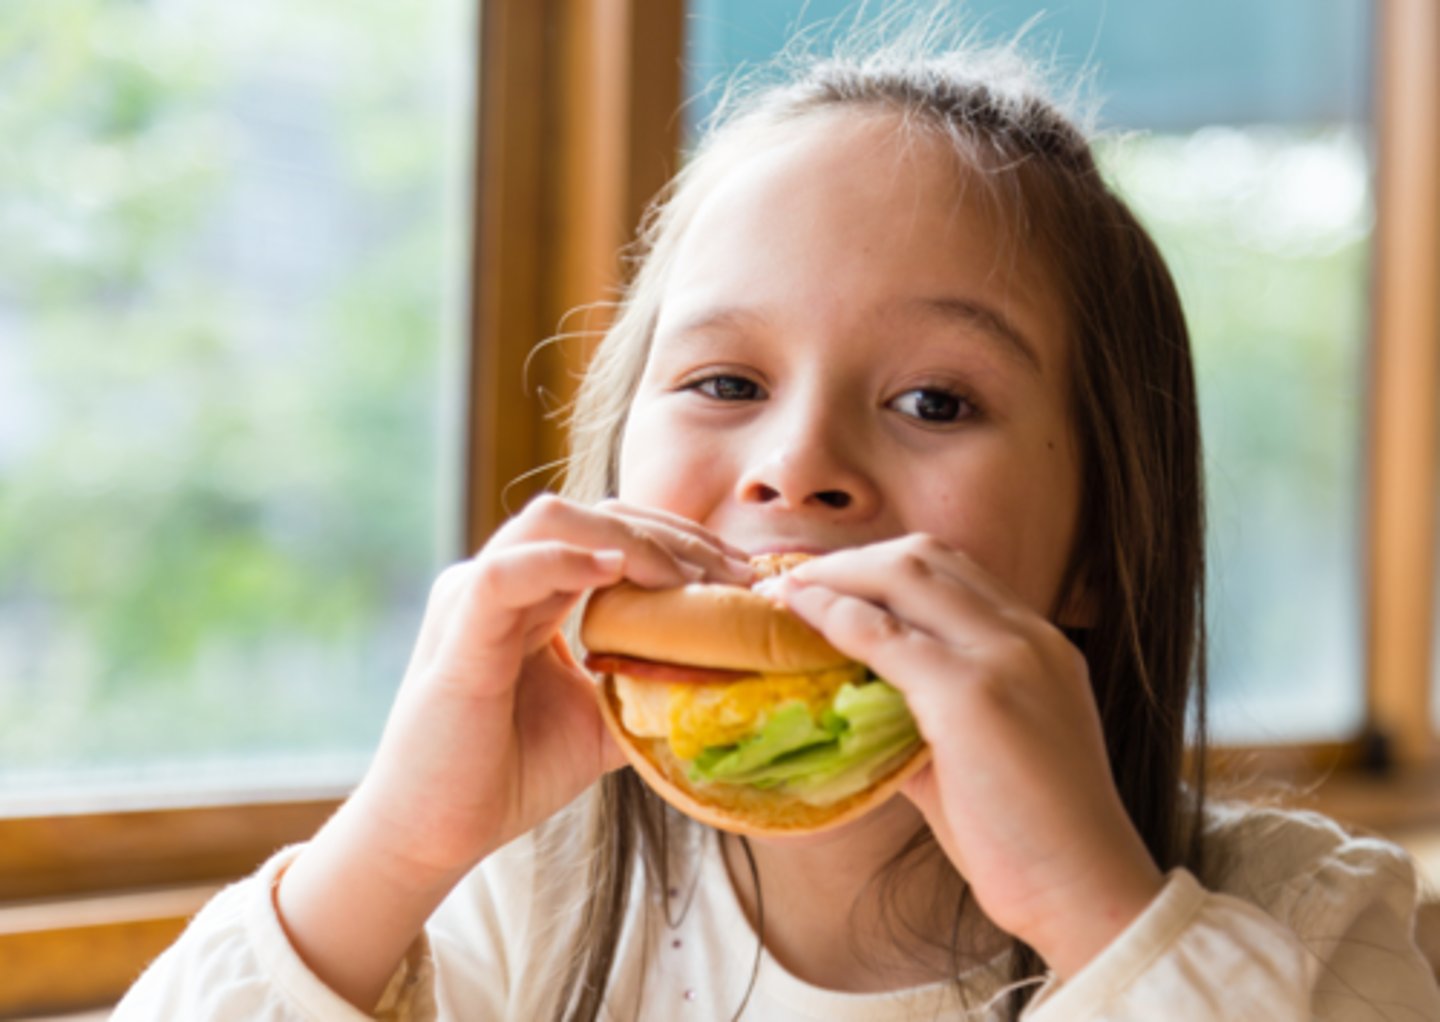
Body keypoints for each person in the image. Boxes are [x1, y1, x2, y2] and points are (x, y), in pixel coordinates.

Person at [114, 29, 1439, 1022]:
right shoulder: (510, 901)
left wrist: (1098, 915)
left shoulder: (1316, 923)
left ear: (1101, 543)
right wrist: (394, 841)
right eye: (726, 383)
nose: (797, 464)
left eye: (933, 398)